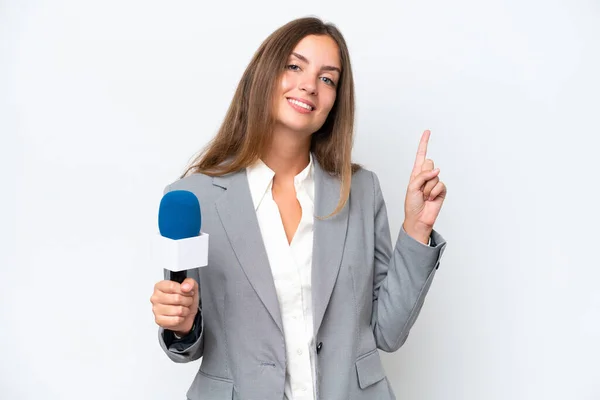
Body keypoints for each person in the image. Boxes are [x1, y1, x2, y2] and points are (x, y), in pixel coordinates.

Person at [150, 16, 447, 400]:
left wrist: (416, 229)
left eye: (328, 79)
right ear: (265, 74)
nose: (309, 84)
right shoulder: (194, 199)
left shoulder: (361, 192)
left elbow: (388, 333)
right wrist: (181, 324)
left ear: (335, 102)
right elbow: (186, 339)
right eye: (294, 66)